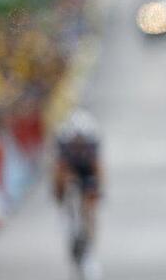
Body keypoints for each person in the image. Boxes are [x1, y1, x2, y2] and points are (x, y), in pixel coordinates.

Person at [53, 108, 103, 276]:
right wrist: (59, 195)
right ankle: (70, 220)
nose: (78, 144)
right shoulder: (63, 140)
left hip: (86, 169)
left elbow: (98, 169)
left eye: (81, 142)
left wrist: (97, 191)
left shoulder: (93, 140)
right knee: (66, 183)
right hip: (69, 168)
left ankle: (90, 253)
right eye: (76, 142)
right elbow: (57, 170)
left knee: (90, 208)